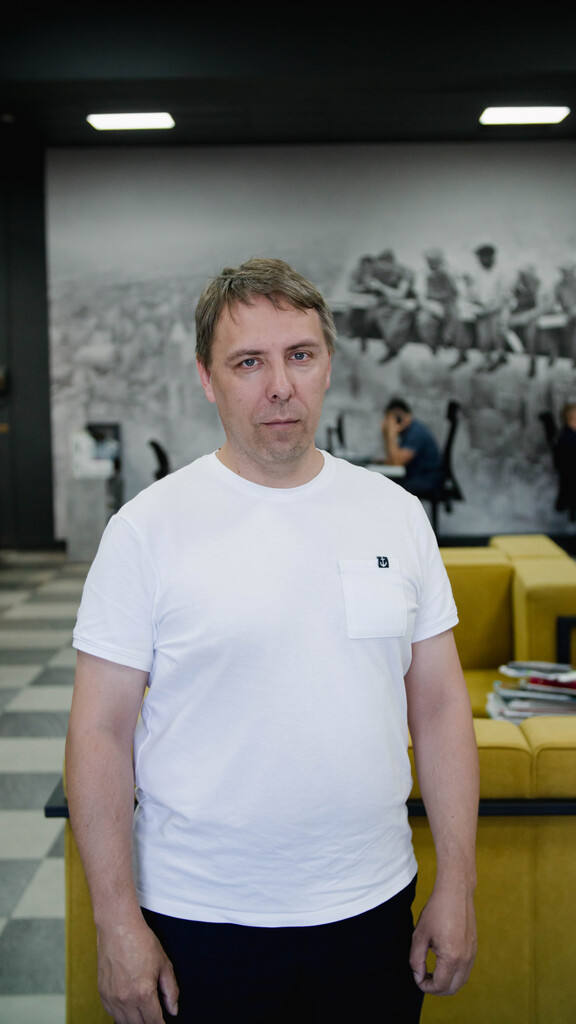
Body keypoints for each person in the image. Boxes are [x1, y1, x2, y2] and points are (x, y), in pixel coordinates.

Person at [65, 257, 478, 1024]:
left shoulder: (394, 515)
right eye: (248, 362)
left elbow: (442, 707)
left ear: (328, 365)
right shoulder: (147, 530)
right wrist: (116, 922)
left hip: (371, 909)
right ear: (207, 377)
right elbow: (98, 731)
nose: (280, 385)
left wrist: (458, 883)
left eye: (300, 355)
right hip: (199, 918)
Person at [381, 397, 444, 497]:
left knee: (392, 490)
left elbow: (397, 463)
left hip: (427, 478)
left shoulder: (416, 432)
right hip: (416, 475)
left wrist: (391, 434)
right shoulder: (407, 432)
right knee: (384, 483)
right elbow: (391, 461)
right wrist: (386, 435)